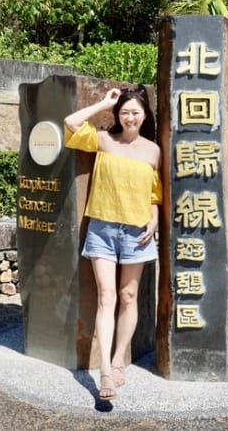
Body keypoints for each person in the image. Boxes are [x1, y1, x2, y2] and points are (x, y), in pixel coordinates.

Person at [63, 84, 161, 401]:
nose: (129, 117)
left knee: (128, 295)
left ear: (145, 115)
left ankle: (119, 358)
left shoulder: (153, 150)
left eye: (135, 112)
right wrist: (104, 103)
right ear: (117, 115)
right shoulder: (104, 139)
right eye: (124, 112)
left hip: (137, 231)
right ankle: (104, 368)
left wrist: (155, 216)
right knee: (107, 296)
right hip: (102, 227)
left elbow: (154, 193)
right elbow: (71, 122)